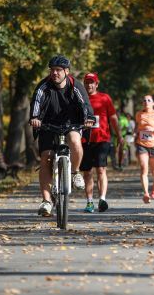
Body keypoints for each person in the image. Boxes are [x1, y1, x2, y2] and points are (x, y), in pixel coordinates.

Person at [29, 55, 92, 217]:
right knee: (46, 157)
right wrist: (35, 118)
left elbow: (85, 104)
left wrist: (88, 118)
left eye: (58, 70)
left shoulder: (75, 85)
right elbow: (36, 102)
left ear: (66, 71)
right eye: (52, 70)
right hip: (47, 124)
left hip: (71, 123)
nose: (55, 73)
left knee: (75, 141)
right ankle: (47, 201)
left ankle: (75, 173)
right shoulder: (43, 86)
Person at [81, 72, 123, 213]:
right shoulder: (80, 98)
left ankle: (102, 199)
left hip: (102, 138)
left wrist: (119, 136)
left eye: (92, 82)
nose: (89, 85)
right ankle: (89, 202)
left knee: (101, 169)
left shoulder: (104, 98)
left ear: (97, 84)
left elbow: (113, 118)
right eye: (87, 82)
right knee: (87, 172)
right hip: (84, 140)